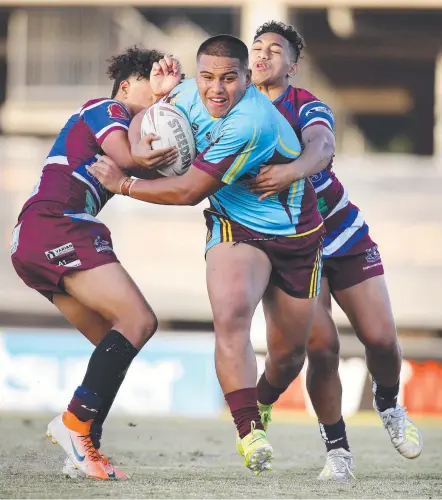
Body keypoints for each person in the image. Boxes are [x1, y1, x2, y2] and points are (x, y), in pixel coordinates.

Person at [87, 34, 325, 476]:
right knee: (232, 313)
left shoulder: (252, 121)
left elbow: (188, 191)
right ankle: (249, 429)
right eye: (208, 78)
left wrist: (124, 183)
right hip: (235, 225)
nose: (217, 90)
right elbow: (148, 120)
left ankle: (264, 401)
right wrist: (142, 139)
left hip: (295, 233)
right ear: (198, 76)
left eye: (230, 79)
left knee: (290, 355)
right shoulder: (183, 94)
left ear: (248, 78)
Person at [248, 20, 423, 480]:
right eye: (257, 47)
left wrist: (290, 172)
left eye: (275, 50)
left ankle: (387, 404)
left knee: (382, 338)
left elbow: (322, 148)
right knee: (318, 351)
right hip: (290, 245)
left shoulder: (306, 105)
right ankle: (338, 452)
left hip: (342, 232)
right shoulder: (233, 111)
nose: (263, 55)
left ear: (292, 66)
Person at [10, 46, 179, 481]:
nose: (161, 102)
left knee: (114, 342)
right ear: (127, 85)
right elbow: (128, 160)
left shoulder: (127, 129)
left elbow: (163, 174)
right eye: (151, 86)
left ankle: (85, 449)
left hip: (36, 235)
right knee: (139, 321)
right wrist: (165, 102)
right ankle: (72, 426)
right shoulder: (106, 108)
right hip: (57, 222)